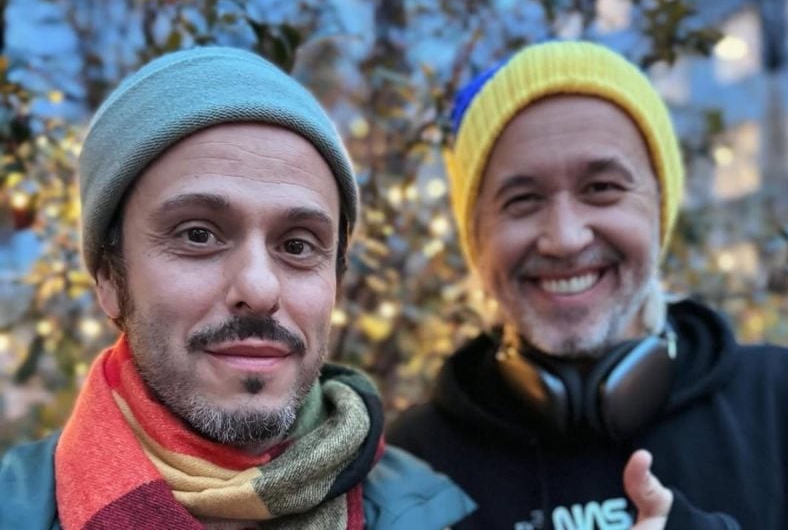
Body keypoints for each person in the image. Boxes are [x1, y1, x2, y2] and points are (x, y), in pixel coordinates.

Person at [0, 46, 474, 530]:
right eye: (197, 235)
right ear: (108, 277)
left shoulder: (437, 512)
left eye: (297, 245)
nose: (260, 289)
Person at [388, 41, 788, 530]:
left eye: (601, 188)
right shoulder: (411, 467)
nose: (565, 238)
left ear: (660, 207)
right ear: (475, 236)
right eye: (522, 199)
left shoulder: (783, 401)